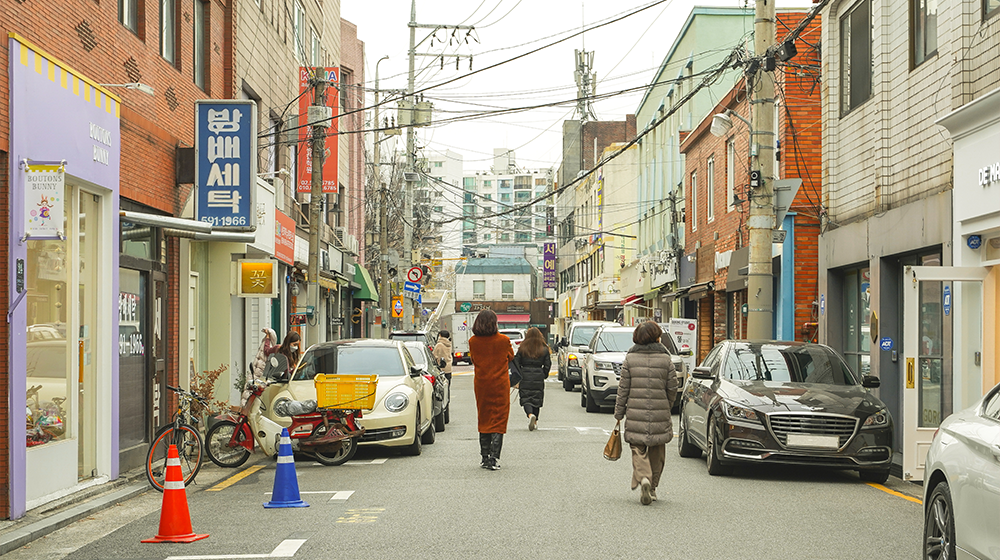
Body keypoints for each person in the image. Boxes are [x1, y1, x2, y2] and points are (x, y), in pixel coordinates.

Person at [613, 321, 678, 505]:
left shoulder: (630, 359)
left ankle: (643, 478)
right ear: (657, 337)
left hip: (635, 414)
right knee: (657, 451)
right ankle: (654, 487)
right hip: (659, 413)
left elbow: (623, 389)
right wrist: (667, 405)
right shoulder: (666, 360)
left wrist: (619, 413)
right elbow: (673, 387)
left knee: (637, 449)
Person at [468, 309, 514, 470]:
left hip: (482, 384)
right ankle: (494, 457)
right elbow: (510, 357)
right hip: (500, 384)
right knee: (499, 418)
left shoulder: (473, 341)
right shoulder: (504, 340)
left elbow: (474, 360)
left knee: (484, 416)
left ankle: (484, 456)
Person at [509, 327, 550, 431]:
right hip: (538, 374)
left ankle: (530, 414)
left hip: (525, 374)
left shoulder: (523, 347)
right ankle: (535, 421)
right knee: (537, 398)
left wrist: (519, 373)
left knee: (526, 398)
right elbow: (547, 364)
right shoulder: (544, 348)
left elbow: (516, 361)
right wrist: (544, 374)